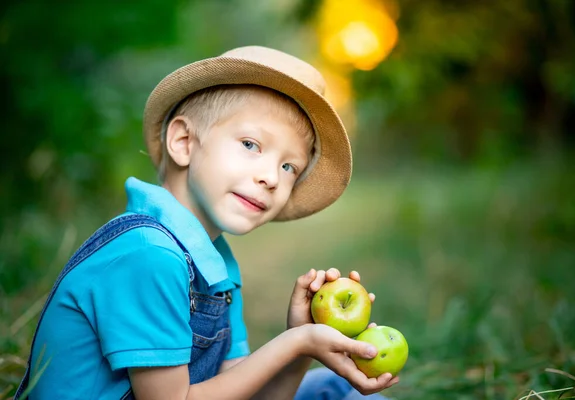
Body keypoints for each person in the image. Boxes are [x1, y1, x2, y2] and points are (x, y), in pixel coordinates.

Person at [15, 46, 399, 399]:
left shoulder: (216, 269)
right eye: (251, 145)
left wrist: (301, 341)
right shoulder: (148, 255)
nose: (272, 177)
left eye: (289, 167)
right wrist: (294, 344)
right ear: (183, 142)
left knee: (333, 388)